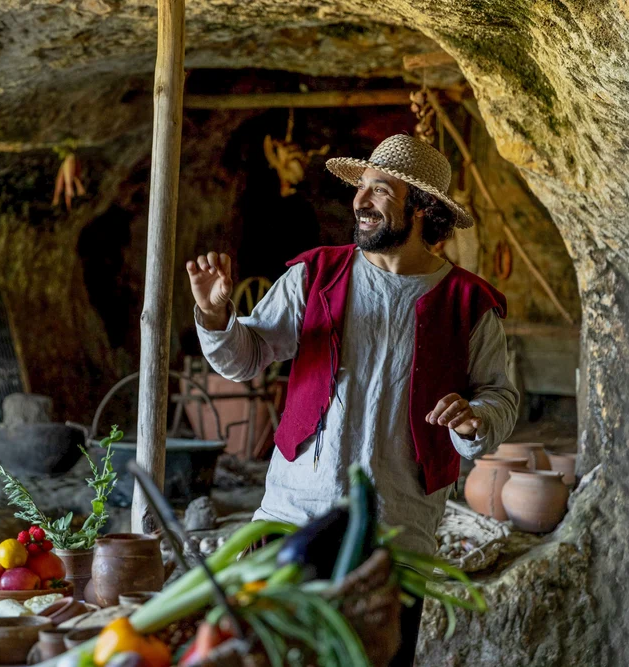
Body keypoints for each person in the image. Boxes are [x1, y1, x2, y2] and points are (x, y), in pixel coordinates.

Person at [187, 134, 519, 665]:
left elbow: (499, 396)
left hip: (398, 534)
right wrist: (215, 317)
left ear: (422, 208)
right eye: (360, 188)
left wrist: (473, 418)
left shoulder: (468, 302)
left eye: (380, 191)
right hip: (292, 522)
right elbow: (245, 357)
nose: (360, 202)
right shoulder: (314, 275)